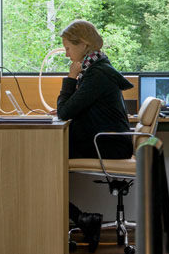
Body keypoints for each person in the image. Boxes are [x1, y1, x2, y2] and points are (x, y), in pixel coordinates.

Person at [56, 19, 133, 242]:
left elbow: (64, 112)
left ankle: (83, 219)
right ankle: (83, 219)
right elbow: (70, 108)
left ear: (82, 45)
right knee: (45, 159)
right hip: (107, 141)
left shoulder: (97, 75)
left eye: (68, 48)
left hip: (109, 145)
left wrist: (70, 78)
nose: (67, 54)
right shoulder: (97, 69)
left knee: (44, 158)